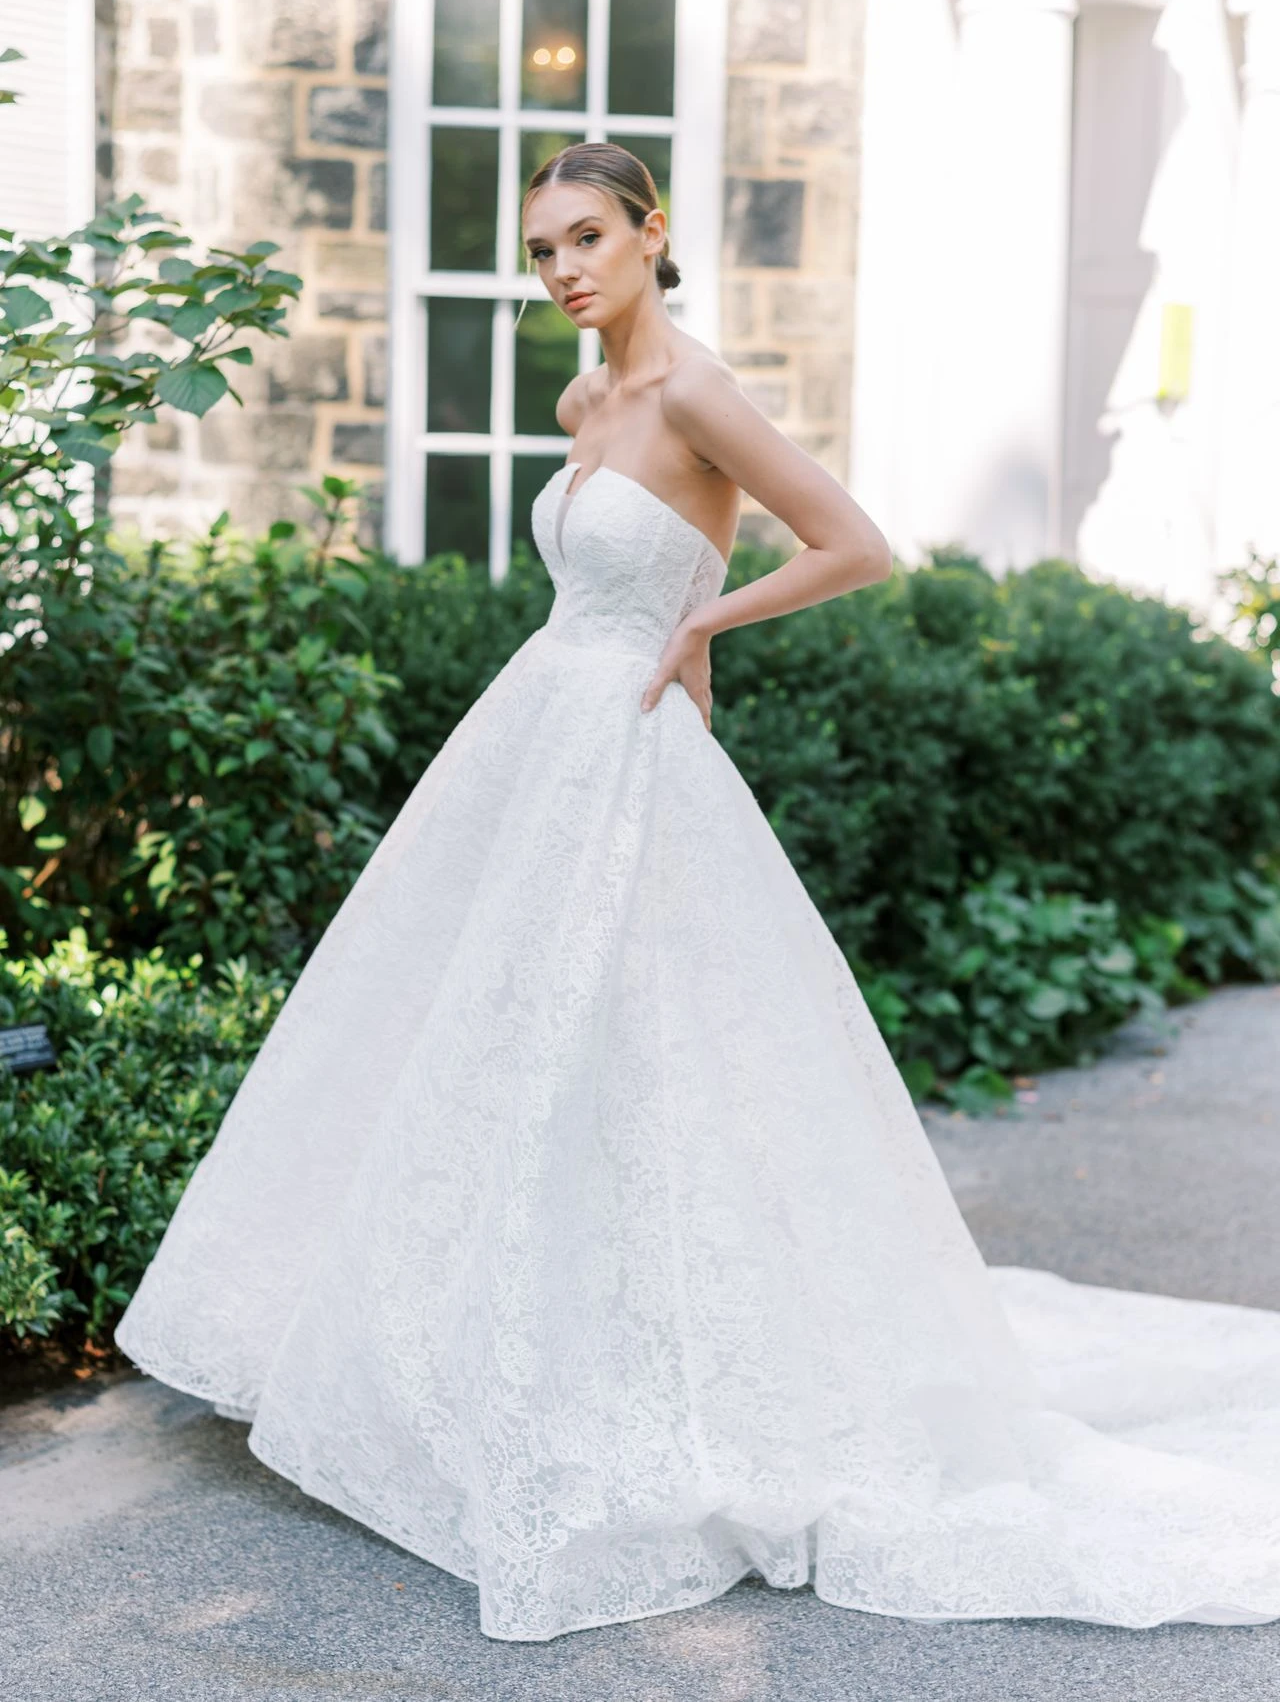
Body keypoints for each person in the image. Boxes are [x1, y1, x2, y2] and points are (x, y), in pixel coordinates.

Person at [115, 143, 1280, 1643]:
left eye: (587, 237)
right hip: (540, 738)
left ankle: (657, 1377)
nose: (563, 271)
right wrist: (675, 630)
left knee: (641, 1055)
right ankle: (472, 1363)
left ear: (654, 231)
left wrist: (701, 620)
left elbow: (854, 544)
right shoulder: (581, 404)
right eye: (542, 251)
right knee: (501, 1050)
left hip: (635, 748)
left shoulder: (693, 394)